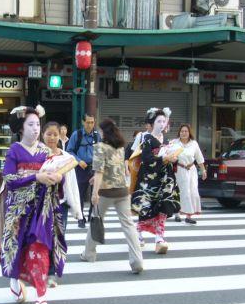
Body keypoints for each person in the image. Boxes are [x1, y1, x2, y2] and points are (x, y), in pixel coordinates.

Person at [0, 105, 65, 304]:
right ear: (21, 128)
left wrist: (58, 178)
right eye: (31, 125)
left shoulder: (46, 152)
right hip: (19, 210)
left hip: (41, 208)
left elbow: (56, 179)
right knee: (18, 249)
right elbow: (9, 179)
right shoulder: (14, 150)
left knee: (39, 249)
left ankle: (41, 299)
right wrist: (36, 176)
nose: (36, 129)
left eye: (38, 124)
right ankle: (15, 280)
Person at [80, 118, 143, 274]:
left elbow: (100, 171)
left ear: (104, 132)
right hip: (122, 191)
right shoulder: (120, 148)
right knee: (128, 226)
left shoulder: (100, 147)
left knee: (96, 220)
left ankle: (89, 253)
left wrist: (94, 193)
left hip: (106, 192)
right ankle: (137, 261)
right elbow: (117, 169)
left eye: (100, 130)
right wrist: (97, 178)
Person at [131, 108, 180, 255]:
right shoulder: (147, 139)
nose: (162, 124)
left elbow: (170, 161)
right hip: (149, 180)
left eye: (164, 121)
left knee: (163, 206)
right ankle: (138, 233)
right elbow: (146, 159)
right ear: (152, 124)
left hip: (165, 179)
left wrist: (174, 159)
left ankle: (159, 238)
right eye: (159, 121)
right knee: (147, 207)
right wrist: (163, 158)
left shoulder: (166, 141)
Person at [42, 121, 82, 288]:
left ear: (60, 136)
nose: (52, 137)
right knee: (40, 237)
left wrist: (77, 210)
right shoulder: (36, 156)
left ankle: (51, 272)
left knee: (57, 237)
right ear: (42, 135)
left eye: (55, 134)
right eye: (48, 134)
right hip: (39, 204)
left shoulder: (67, 159)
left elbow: (72, 185)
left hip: (60, 204)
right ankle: (39, 268)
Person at [67, 114, 101, 228]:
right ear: (83, 122)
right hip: (80, 168)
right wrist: (78, 161)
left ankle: (92, 215)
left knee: (94, 193)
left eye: (92, 122)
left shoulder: (97, 136)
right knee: (80, 194)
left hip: (94, 168)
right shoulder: (77, 135)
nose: (90, 125)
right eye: (87, 122)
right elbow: (69, 151)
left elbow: (100, 153)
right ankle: (80, 218)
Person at [172, 124, 207, 224]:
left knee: (192, 192)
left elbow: (199, 158)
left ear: (189, 133)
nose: (183, 133)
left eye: (186, 131)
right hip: (179, 170)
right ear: (179, 132)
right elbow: (168, 155)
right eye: (182, 131)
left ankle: (189, 215)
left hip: (191, 170)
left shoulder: (194, 144)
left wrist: (203, 170)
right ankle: (177, 213)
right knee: (181, 192)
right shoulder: (174, 143)